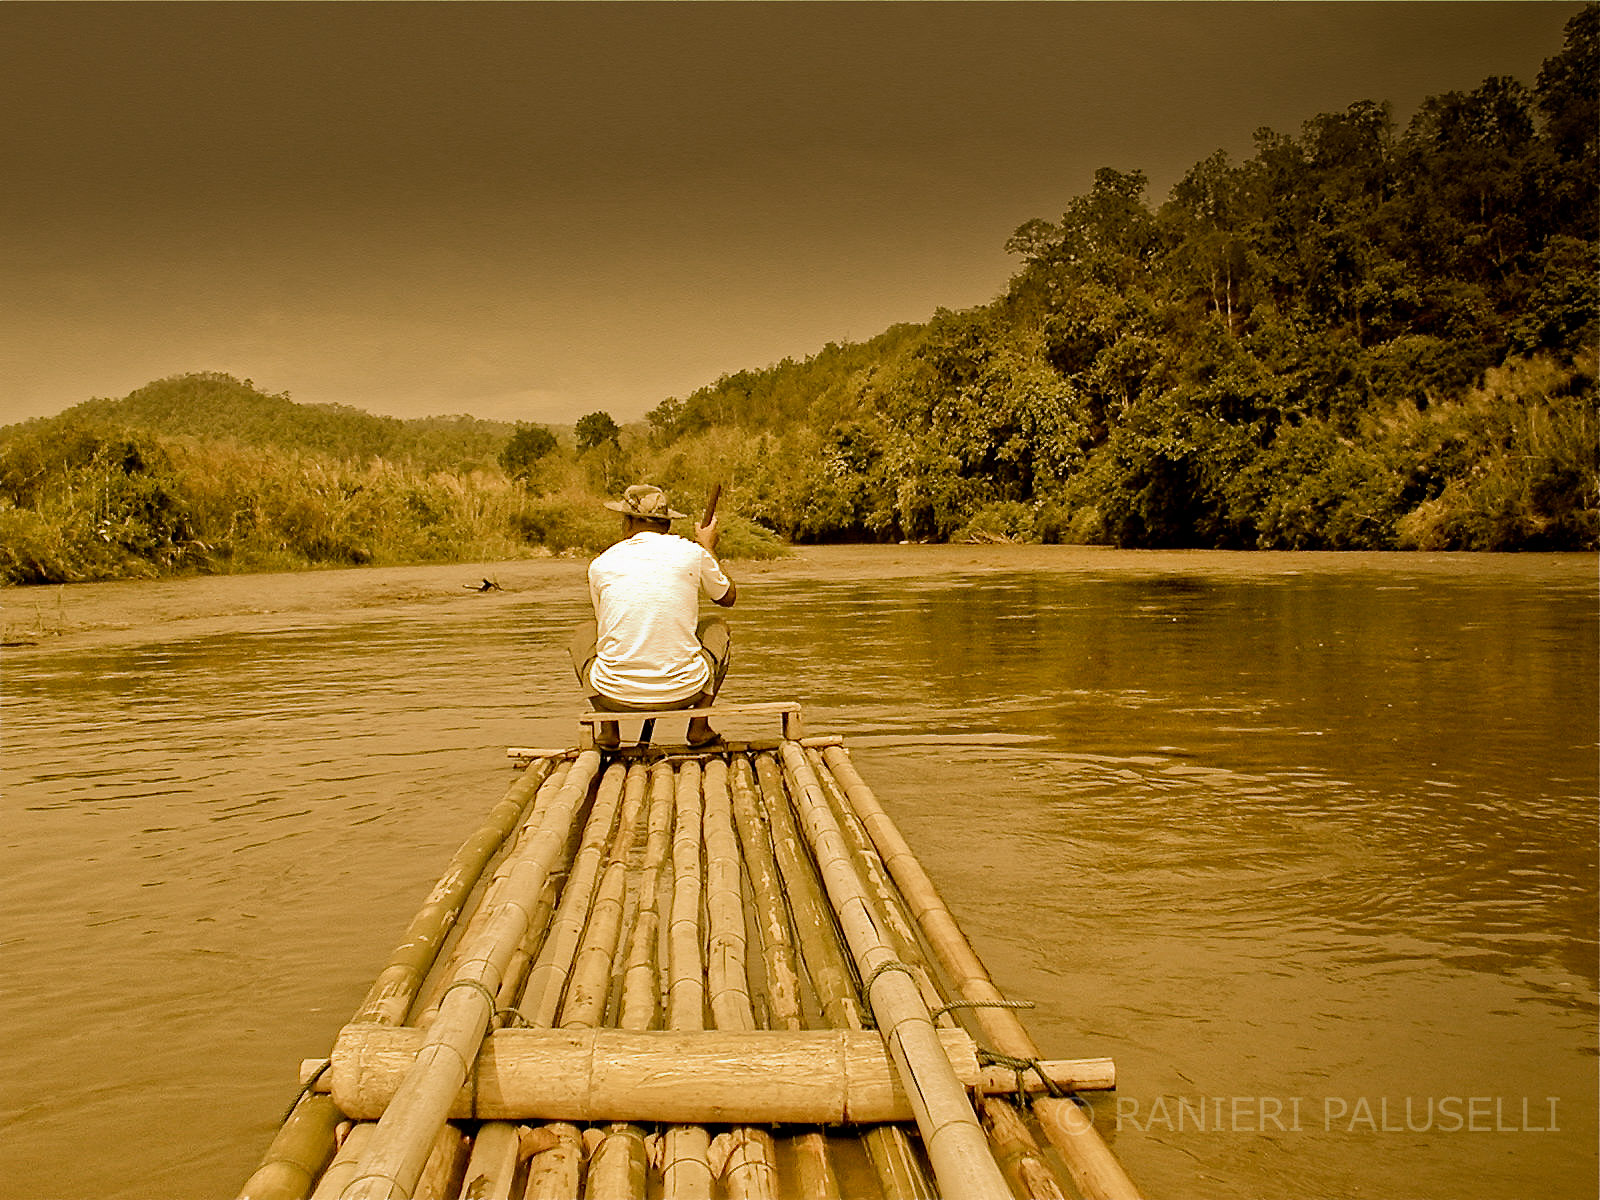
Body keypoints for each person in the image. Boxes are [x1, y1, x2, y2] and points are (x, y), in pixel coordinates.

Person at [570, 483, 736, 748]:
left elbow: (605, 630)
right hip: (686, 690)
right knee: (717, 627)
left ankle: (609, 729)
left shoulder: (601, 564)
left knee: (585, 633)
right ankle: (699, 726)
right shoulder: (693, 553)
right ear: (667, 524)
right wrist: (708, 546)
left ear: (627, 523)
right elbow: (727, 597)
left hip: (613, 694)